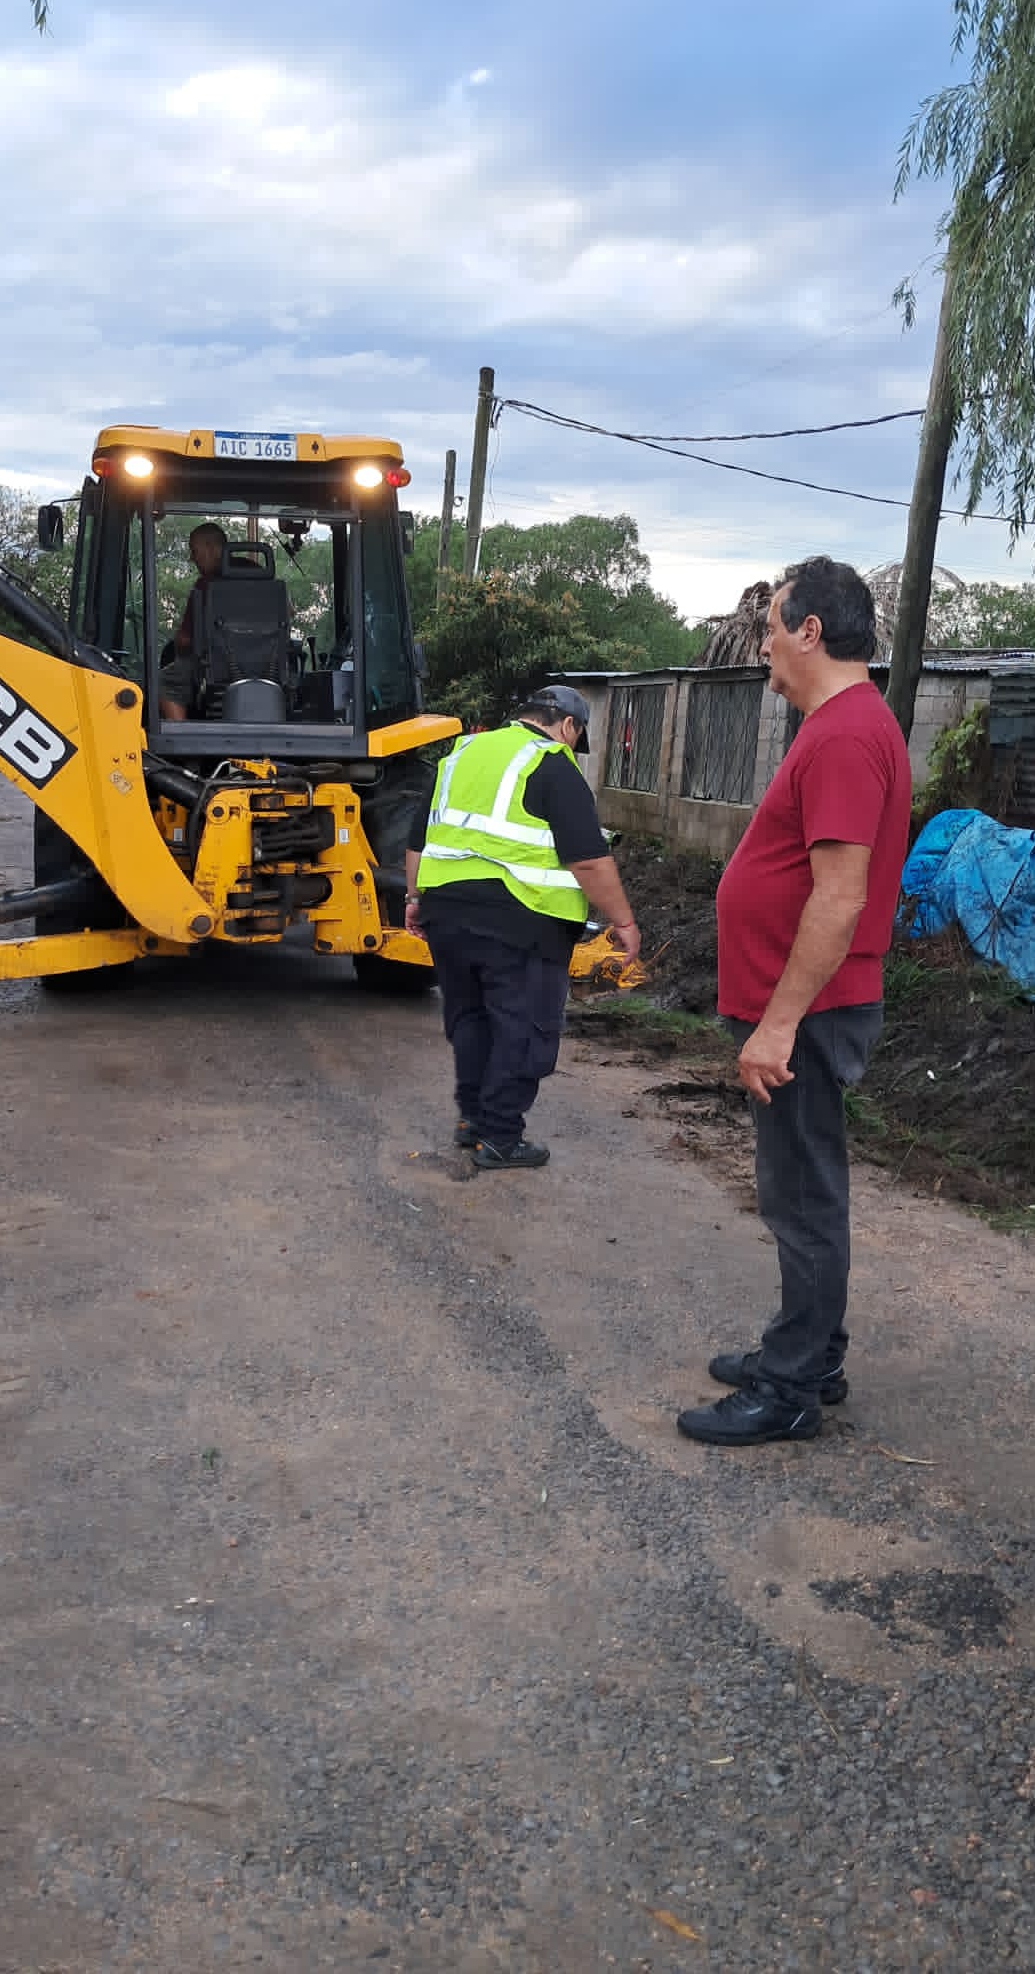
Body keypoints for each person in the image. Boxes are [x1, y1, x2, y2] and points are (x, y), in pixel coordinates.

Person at [677, 556, 912, 1446]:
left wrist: (777, 1023)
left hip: (807, 1013)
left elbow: (840, 896)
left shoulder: (848, 734)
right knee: (808, 1187)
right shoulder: (839, 725)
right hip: (801, 1006)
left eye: (772, 625)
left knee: (802, 1199)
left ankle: (791, 1390)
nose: (765, 643)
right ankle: (811, 1352)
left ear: (811, 630)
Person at [404, 686, 642, 1170]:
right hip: (521, 922)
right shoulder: (553, 762)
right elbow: (588, 861)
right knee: (521, 1027)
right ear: (568, 726)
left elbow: (417, 839)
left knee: (470, 1019)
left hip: (446, 914)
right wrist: (624, 921)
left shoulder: (461, 754)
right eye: (576, 739)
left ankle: (473, 1120)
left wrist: (414, 899)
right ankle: (500, 1137)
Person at [158, 523, 228, 722]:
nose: (192, 557)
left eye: (194, 551)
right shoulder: (258, 573)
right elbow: (288, 612)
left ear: (213, 549)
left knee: (163, 682)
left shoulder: (205, 585)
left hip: (213, 667)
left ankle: (178, 743)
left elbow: (185, 640)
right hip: (267, 668)